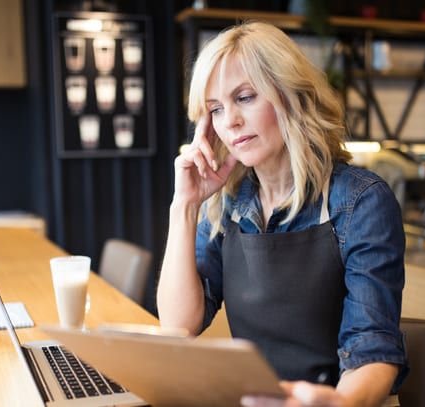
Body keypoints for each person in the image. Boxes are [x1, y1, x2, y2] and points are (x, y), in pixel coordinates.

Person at [156, 21, 408, 407]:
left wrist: (336, 404)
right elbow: (178, 325)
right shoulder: (227, 203)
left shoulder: (361, 201)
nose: (231, 122)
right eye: (216, 110)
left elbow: (371, 346)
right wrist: (184, 206)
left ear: (289, 95)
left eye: (245, 97)